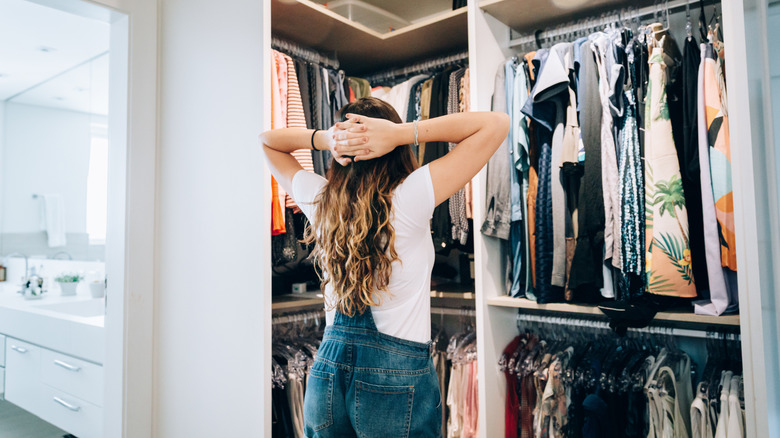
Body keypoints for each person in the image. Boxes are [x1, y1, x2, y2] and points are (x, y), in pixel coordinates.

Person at [259, 97, 508, 437]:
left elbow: (268, 142)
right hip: (395, 381)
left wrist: (324, 139)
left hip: (327, 376)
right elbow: (495, 124)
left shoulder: (321, 199)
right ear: (395, 147)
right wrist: (403, 133)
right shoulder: (411, 196)